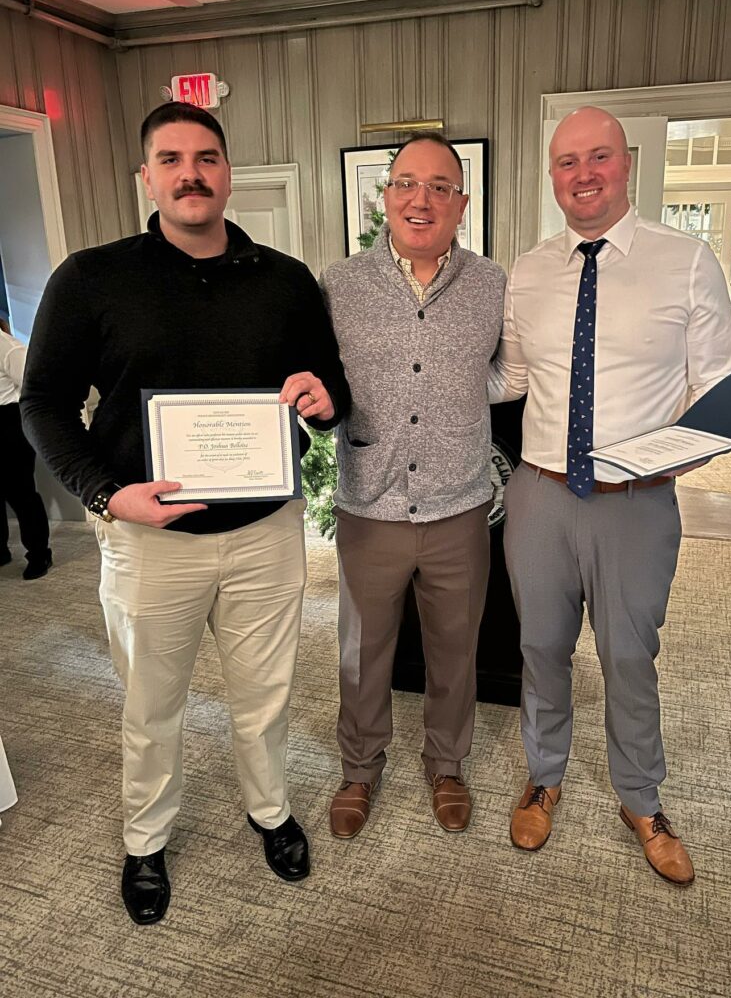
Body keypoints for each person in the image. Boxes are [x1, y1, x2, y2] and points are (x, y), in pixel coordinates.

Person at [20, 102, 350, 924]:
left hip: (264, 534)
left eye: (205, 157)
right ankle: (146, 838)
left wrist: (324, 401)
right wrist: (104, 493)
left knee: (264, 695)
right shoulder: (91, 278)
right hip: (146, 534)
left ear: (227, 172)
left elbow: (326, 384)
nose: (190, 172)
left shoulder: (283, 279)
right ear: (147, 177)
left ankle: (271, 813)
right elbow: (43, 405)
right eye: (170, 159)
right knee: (150, 704)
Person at [490, 106, 731, 885]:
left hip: (636, 502)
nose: (582, 175)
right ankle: (545, 774)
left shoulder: (684, 260)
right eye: (566, 162)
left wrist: (678, 460)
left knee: (629, 656)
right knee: (539, 648)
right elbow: (513, 379)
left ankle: (640, 796)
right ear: (552, 175)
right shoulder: (528, 271)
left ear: (624, 163)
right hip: (537, 497)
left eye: (596, 157)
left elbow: (721, 387)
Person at [321, 132, 505, 839]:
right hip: (369, 503)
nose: (419, 198)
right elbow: (319, 384)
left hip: (459, 504)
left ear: (461, 203)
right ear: (385, 196)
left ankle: (446, 763)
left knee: (454, 647)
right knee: (362, 651)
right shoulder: (339, 285)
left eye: (437, 186)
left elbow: (508, 376)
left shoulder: (492, 285)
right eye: (404, 183)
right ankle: (359, 769)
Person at [0, 318, 51, 579]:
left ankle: (39, 554)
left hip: (8, 421)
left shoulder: (5, 345)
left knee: (21, 493)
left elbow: (32, 383)